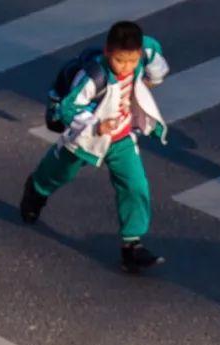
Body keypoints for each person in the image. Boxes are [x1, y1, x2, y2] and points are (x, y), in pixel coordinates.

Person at [20, 20, 170, 272]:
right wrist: (95, 126)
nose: (127, 67)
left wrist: (152, 78)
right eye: (121, 61)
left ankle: (132, 244)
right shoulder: (93, 76)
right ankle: (36, 189)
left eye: (132, 61)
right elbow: (70, 107)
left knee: (135, 185)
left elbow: (155, 59)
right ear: (108, 52)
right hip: (87, 136)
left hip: (121, 136)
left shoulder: (144, 52)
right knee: (60, 171)